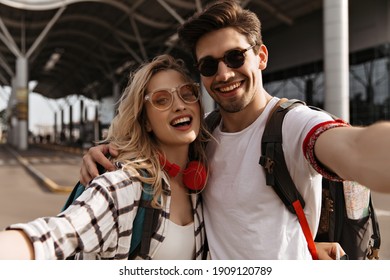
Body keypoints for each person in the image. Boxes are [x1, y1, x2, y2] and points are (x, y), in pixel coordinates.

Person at [79, 0, 390, 260]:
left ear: (261, 57)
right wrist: (107, 151)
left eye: (235, 57)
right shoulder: (203, 136)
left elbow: (355, 147)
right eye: (209, 65)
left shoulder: (292, 125)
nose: (224, 74)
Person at [0, 54, 210, 260]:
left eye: (187, 93)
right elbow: (59, 234)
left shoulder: (203, 183)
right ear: (145, 121)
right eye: (161, 100)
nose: (180, 105)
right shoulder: (124, 185)